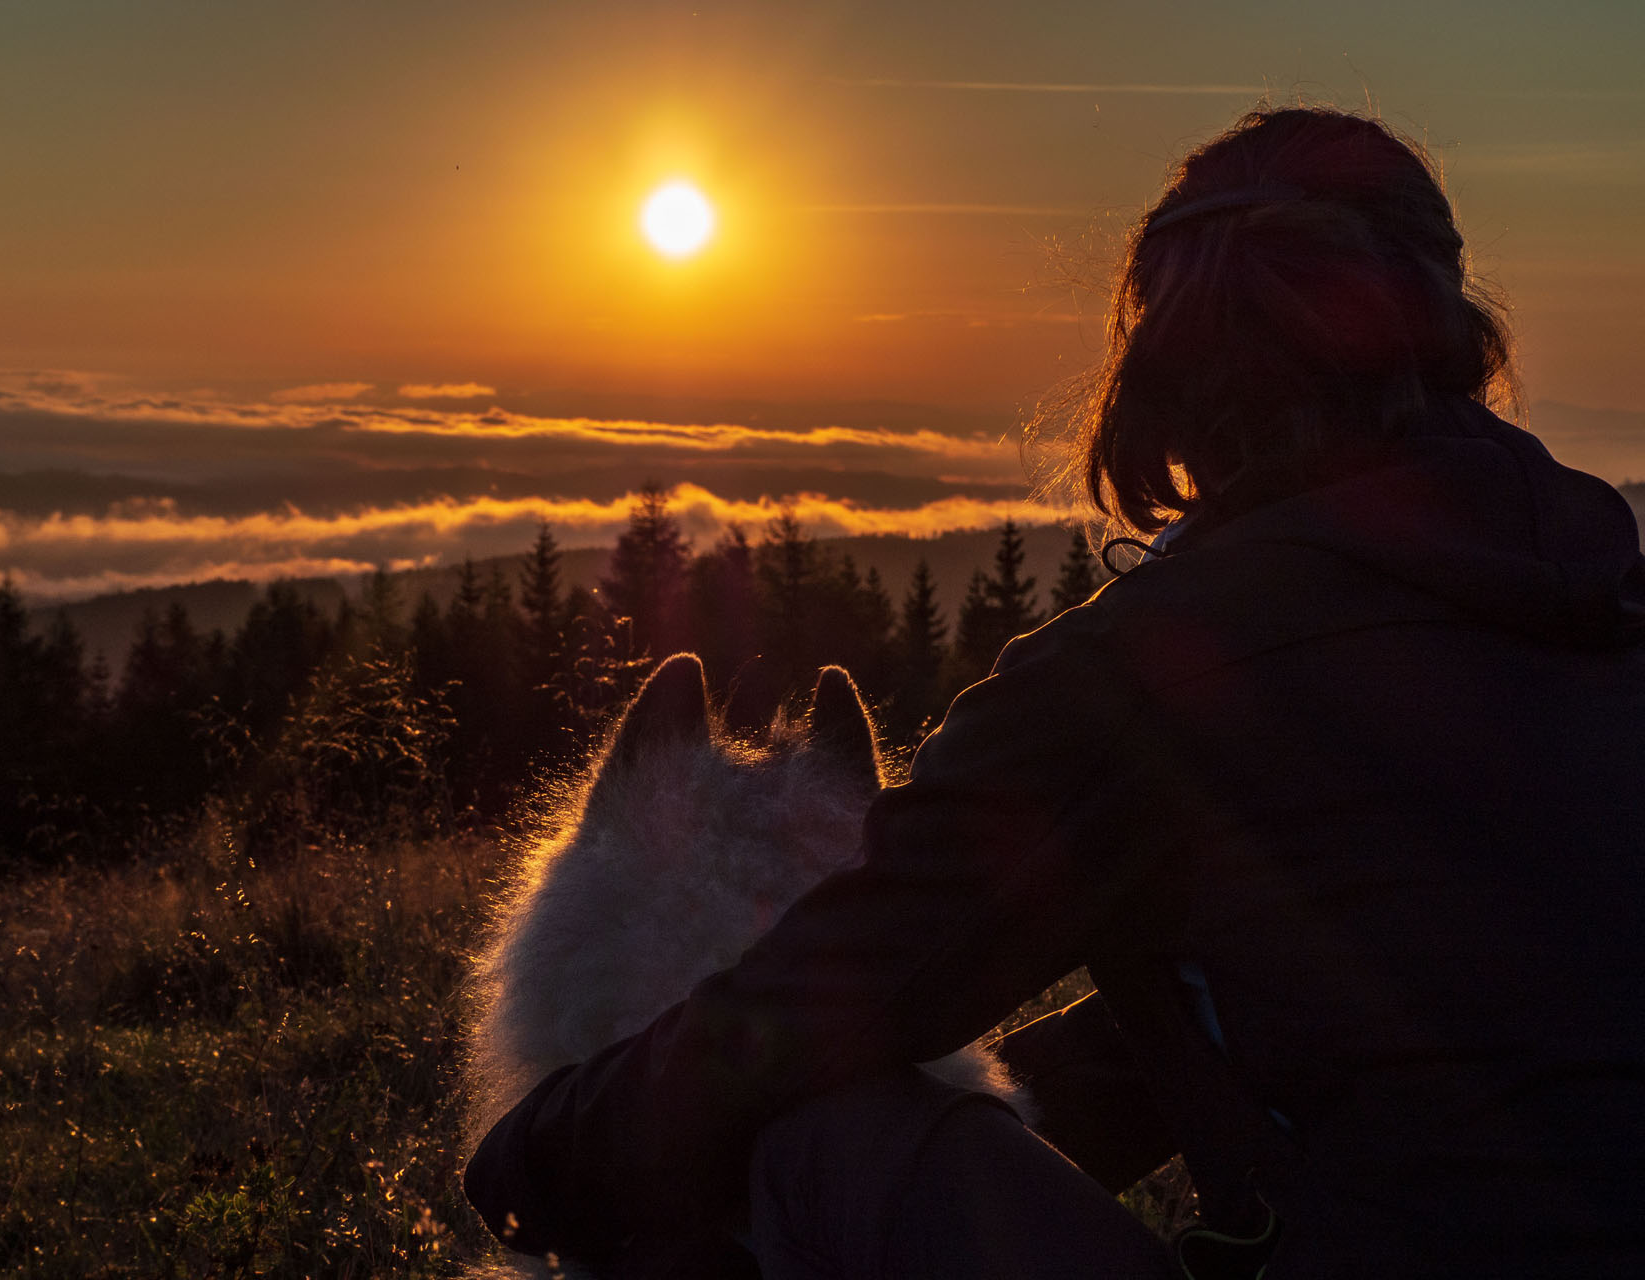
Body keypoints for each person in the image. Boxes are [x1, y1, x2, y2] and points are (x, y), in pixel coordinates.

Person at [464, 106, 1645, 1279]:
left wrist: (540, 1152)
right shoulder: (1604, 595)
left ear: (1169, 362)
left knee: (815, 1138)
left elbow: (850, 986)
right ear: (1449, 327)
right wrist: (1009, 1108)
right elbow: (1363, 1027)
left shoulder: (1152, 673)